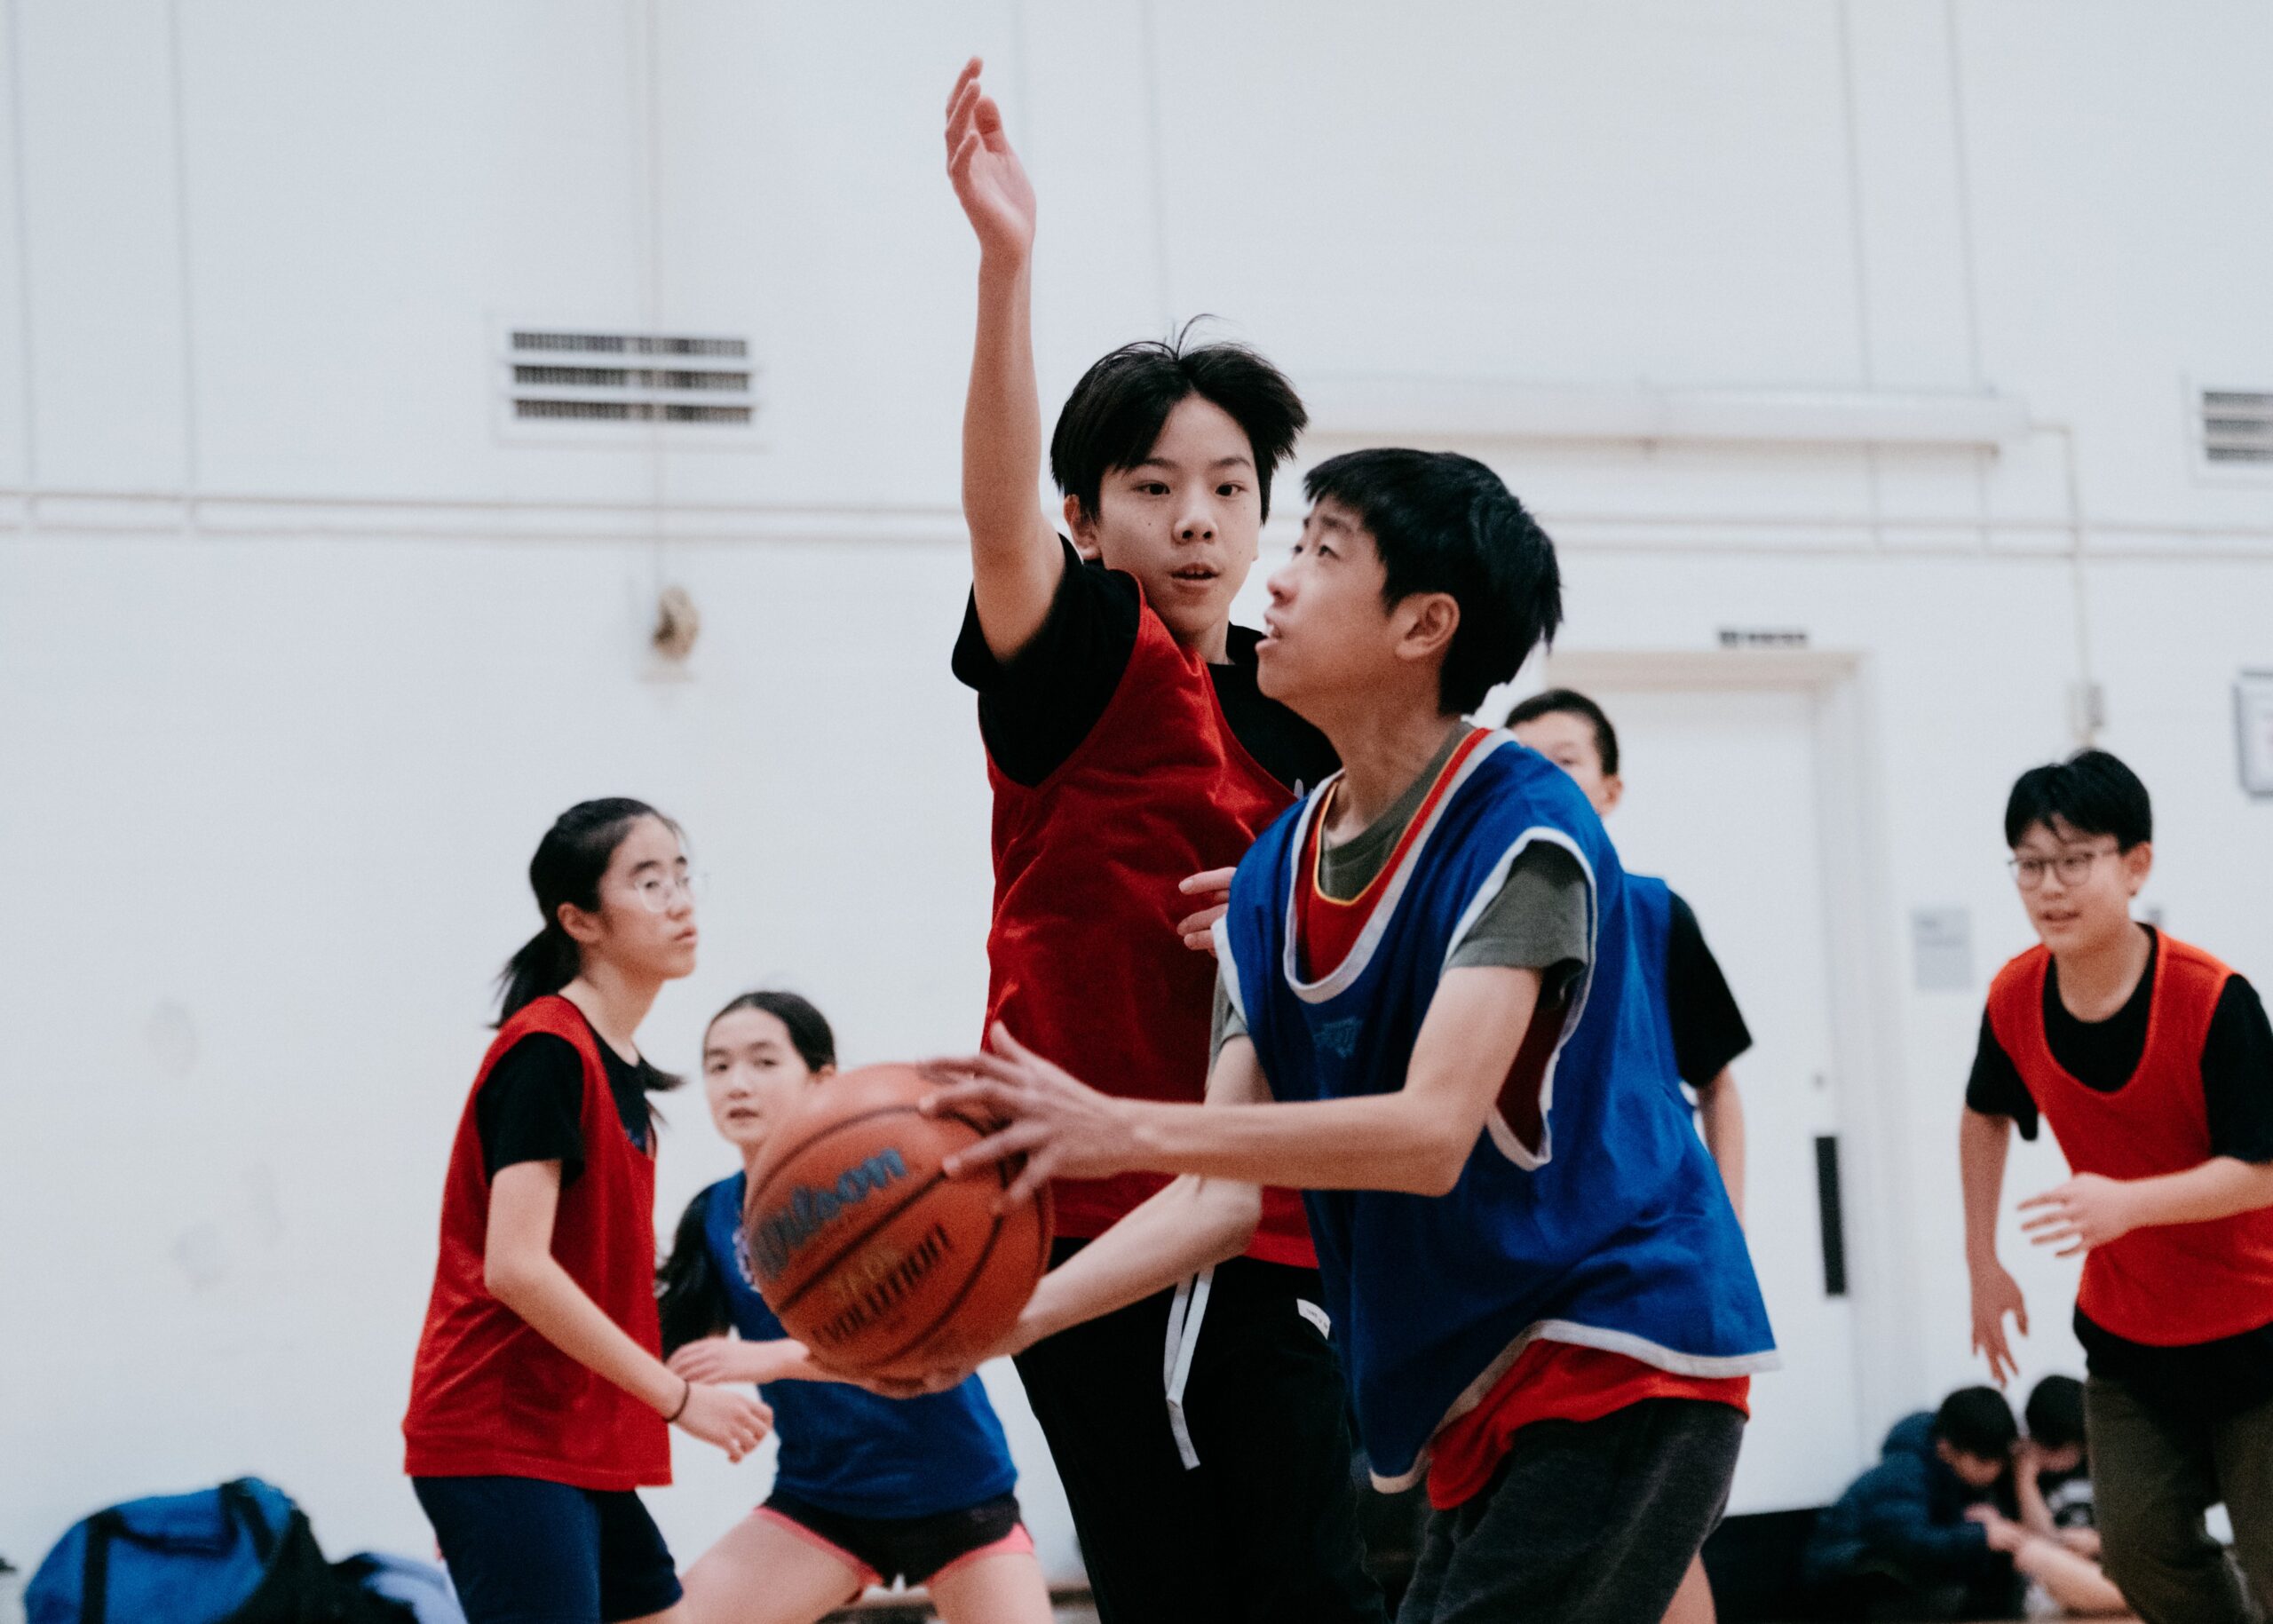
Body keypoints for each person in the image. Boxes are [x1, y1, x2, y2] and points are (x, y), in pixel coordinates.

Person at [920, 448, 1776, 1623]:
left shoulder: (1522, 823)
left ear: (1424, 624)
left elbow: (1430, 1133)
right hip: (1476, 1378)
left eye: (1320, 552)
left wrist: (1115, 1125)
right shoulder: (1273, 876)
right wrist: (980, 1326)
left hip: (1618, 1341)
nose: (1275, 580)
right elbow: (1218, 1194)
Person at [939, 58, 1378, 1623]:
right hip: (1093, 1222)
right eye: (1151, 485)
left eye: (1228, 487)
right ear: (1087, 515)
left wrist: (1291, 919)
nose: (1195, 517)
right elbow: (995, 528)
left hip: (1273, 1217)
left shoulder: (1306, 704)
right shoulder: (1085, 656)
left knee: (1310, 1585)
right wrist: (1008, 269)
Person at [403, 800, 772, 1624]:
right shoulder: (548, 1049)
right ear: (579, 918)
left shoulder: (619, 1059)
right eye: (649, 880)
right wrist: (678, 1399)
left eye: (682, 874)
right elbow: (517, 1267)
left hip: (571, 1439)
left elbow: (595, 1271)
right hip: (505, 1430)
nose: (680, 899)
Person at [1960, 748, 2273, 1624]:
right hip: (2130, 1333)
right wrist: (1981, 1260)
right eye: (2028, 863)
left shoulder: (2213, 998)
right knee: (2138, 1548)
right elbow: (1982, 1112)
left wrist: (2130, 1201)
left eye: (2073, 859)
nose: (2048, 885)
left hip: (2256, 1325)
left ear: (2135, 863)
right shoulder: (2014, 995)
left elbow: (2265, 1167)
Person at [655, 992, 1053, 1624]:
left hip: (957, 1491)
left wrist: (772, 1358)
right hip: (822, 1500)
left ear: (823, 1080)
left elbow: (919, 1351)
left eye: (763, 1061)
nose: (737, 1083)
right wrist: (518, 1493)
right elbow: (662, 1358)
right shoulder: (714, 1216)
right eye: (719, 1065)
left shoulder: (892, 1184)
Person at [1505, 688, 1749, 1219]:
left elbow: (1717, 1083)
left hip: (1650, 1220)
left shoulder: (1658, 914)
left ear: (1609, 792)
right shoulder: (1471, 915)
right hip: (1524, 1217)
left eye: (1566, 761)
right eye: (1522, 761)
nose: (1542, 777)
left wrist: (1730, 1219)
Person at [1801, 1387, 2024, 1621]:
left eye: (1999, 1461)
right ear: (1947, 1448)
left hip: (1890, 1570)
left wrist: (1971, 1523)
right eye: (1983, 1460)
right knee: (1946, 1596)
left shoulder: (1956, 1473)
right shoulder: (1905, 1471)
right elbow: (1903, 1541)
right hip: (1844, 1575)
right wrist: (1978, 1535)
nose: (1993, 1470)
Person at [2004, 1375, 2129, 1617]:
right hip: (2055, 1578)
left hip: (2103, 1568)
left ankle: (2131, 1599)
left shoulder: (2104, 1463)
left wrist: (2097, 1543)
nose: (2059, 1458)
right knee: (2034, 1556)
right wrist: (2025, 1482)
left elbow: (2138, 1539)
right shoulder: (2022, 1469)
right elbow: (2036, 1541)